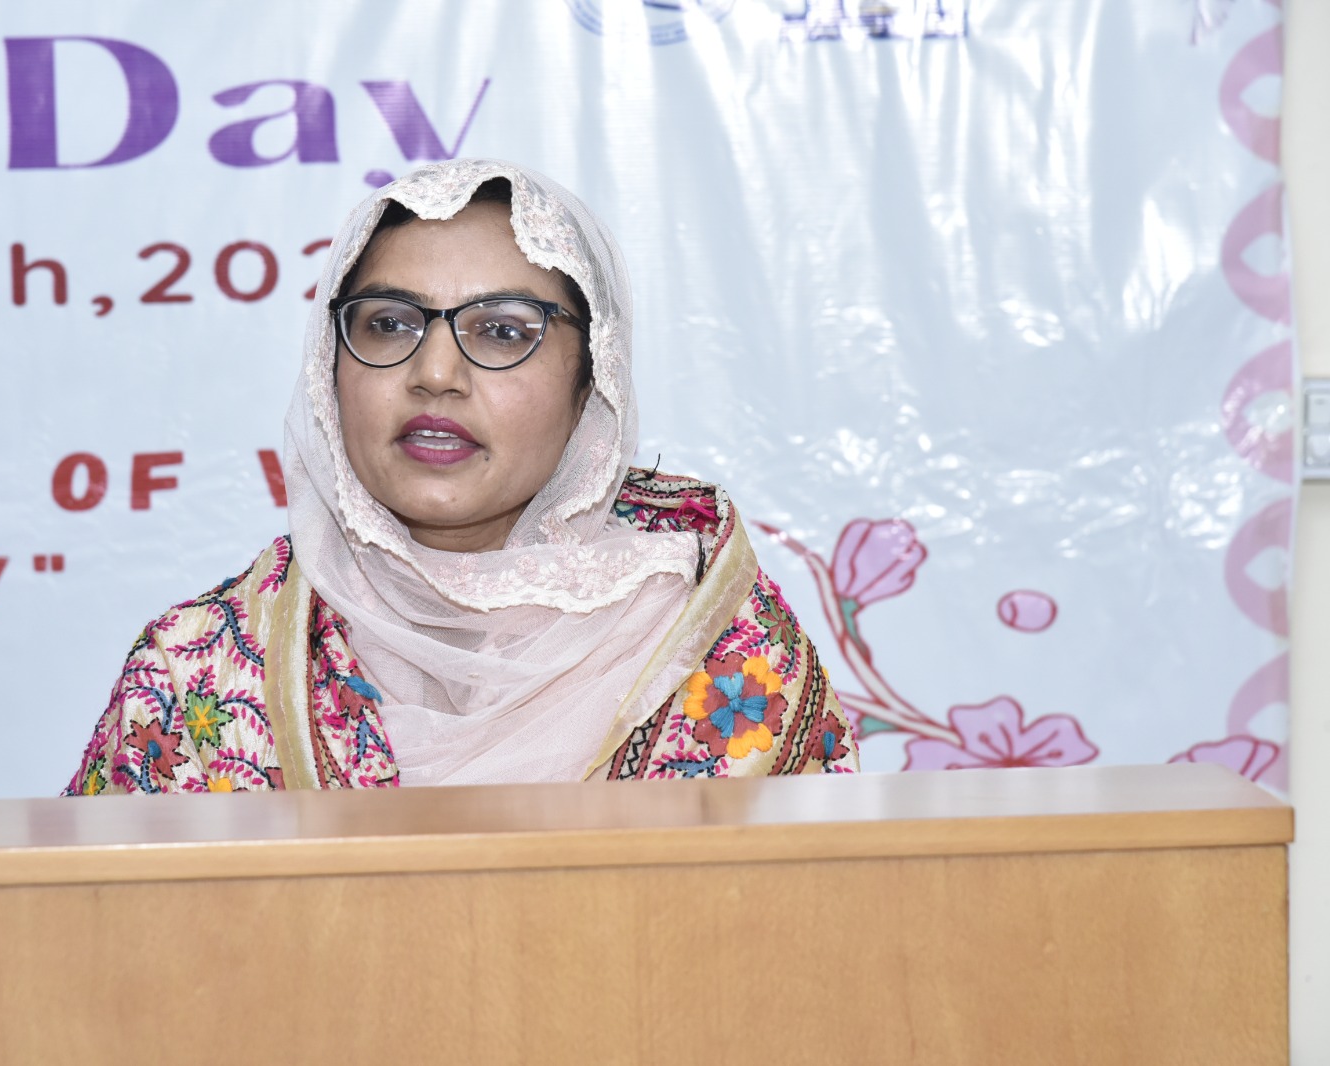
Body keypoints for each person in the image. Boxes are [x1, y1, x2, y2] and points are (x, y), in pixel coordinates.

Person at [65, 158, 857, 794]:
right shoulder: (200, 671)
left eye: (503, 331)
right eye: (388, 324)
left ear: (592, 383)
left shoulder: (724, 652)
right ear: (329, 368)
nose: (435, 373)